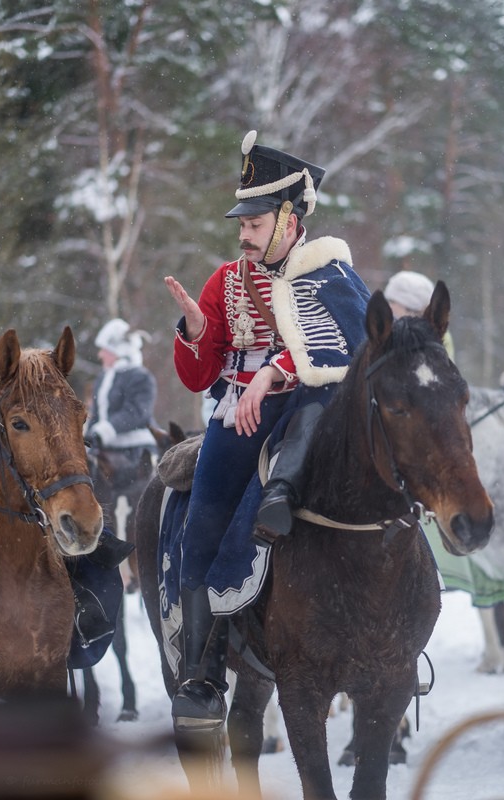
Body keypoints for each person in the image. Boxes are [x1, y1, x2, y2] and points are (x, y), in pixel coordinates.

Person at [164, 130, 370, 731]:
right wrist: (199, 332)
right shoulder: (225, 281)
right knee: (202, 513)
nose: (243, 234)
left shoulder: (330, 273)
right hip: (240, 417)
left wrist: (275, 372)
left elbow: (346, 348)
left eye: (253, 223)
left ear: (288, 217)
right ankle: (202, 673)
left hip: (314, 412)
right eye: (242, 224)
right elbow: (201, 377)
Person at [86, 318, 158, 568]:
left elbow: (137, 412)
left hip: (135, 454)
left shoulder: (141, 377)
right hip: (105, 454)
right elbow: (96, 415)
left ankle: (138, 558)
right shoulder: (103, 378)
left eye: (104, 348)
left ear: (116, 349)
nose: (99, 354)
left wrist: (107, 429)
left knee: (132, 508)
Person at [384, 269, 455, 359]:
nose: (389, 307)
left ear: (412, 310)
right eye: (388, 301)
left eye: (392, 301)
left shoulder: (437, 337)